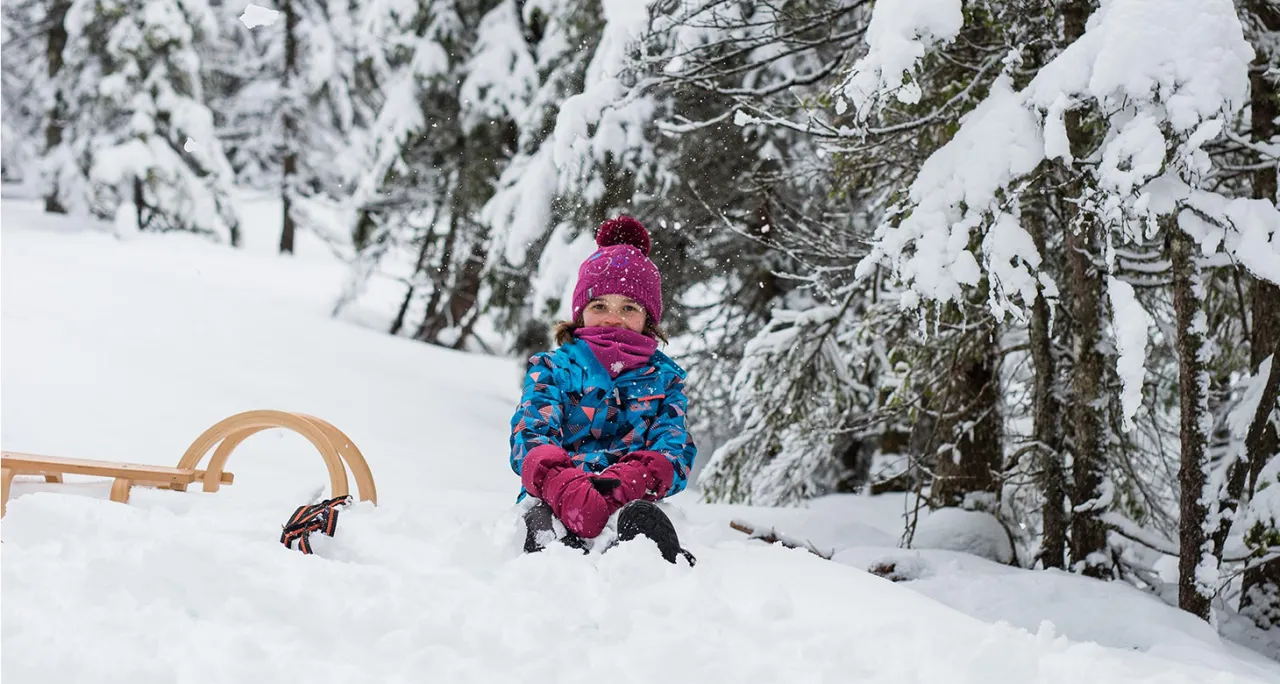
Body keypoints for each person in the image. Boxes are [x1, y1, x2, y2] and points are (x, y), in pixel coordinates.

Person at [509, 215, 697, 564]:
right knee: (544, 521)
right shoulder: (554, 369)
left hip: (630, 497)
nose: (613, 319)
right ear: (581, 314)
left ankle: (638, 561)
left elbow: (674, 447)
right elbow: (530, 436)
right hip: (556, 493)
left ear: (648, 319)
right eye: (600, 307)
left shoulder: (665, 379)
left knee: (633, 527)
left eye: (629, 307)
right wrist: (563, 483)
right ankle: (551, 558)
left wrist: (627, 479)